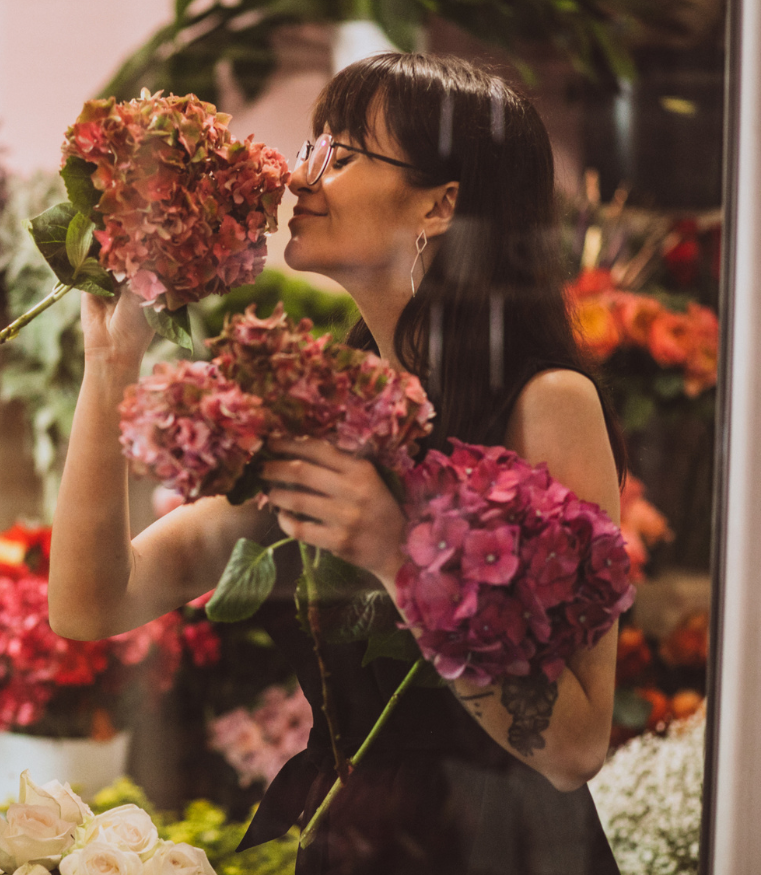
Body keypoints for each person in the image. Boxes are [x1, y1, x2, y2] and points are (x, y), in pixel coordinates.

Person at [49, 52, 626, 874]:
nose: (297, 175)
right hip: (347, 837)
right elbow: (93, 601)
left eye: (342, 154)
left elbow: (573, 746)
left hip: (496, 847)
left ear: (440, 204)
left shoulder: (548, 404)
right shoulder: (318, 413)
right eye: (313, 146)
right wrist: (109, 369)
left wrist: (401, 558)